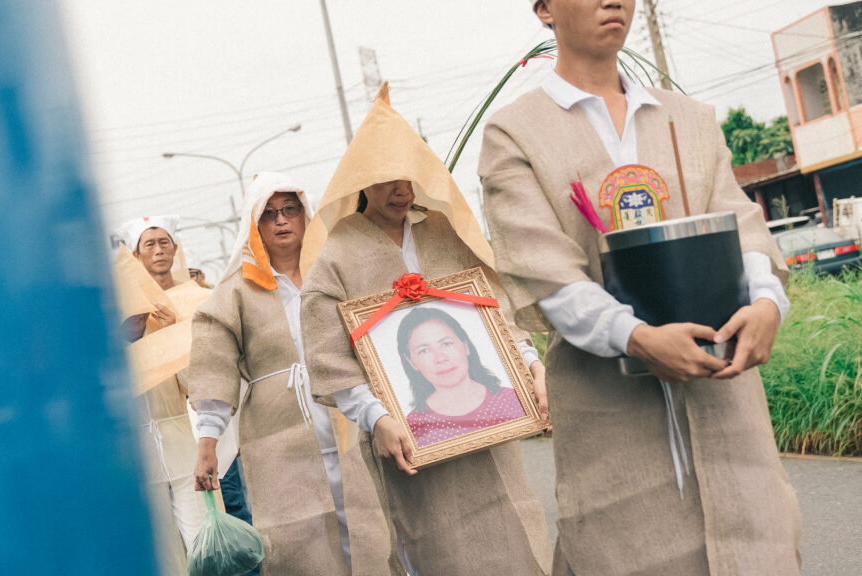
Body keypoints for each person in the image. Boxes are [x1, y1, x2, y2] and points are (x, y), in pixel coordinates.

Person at [477, 2, 803, 575]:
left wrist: (766, 303)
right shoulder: (516, 134)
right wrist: (635, 336)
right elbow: (544, 270)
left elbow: (741, 225)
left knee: (756, 544)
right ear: (545, 8)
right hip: (608, 406)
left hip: (721, 387)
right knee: (625, 548)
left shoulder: (690, 119)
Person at [300, 84, 554, 576]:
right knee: (437, 549)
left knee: (512, 537)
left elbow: (492, 312)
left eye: (409, 175)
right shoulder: (337, 255)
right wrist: (378, 418)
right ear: (361, 182)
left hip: (488, 430)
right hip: (410, 439)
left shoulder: (444, 229)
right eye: (387, 178)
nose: (402, 189)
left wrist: (531, 366)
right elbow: (330, 358)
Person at [187, 172, 401, 576]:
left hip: (353, 425)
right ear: (254, 227)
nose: (281, 221)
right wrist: (207, 442)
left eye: (289, 210)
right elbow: (213, 369)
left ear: (307, 215)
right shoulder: (234, 292)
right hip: (278, 442)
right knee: (299, 545)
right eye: (268, 214)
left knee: (371, 529)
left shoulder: (336, 270)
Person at [115, 215, 207, 576]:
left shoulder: (191, 301)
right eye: (148, 244)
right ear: (135, 257)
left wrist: (173, 333)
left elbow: (197, 380)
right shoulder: (117, 314)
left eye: (164, 241)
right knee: (163, 556)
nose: (158, 249)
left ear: (176, 248)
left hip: (184, 441)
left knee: (205, 543)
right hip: (138, 453)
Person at [397, 306, 525, 446]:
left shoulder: (512, 400)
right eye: (424, 351)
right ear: (411, 362)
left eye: (446, 343)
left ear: (465, 346)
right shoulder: (412, 428)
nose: (440, 358)